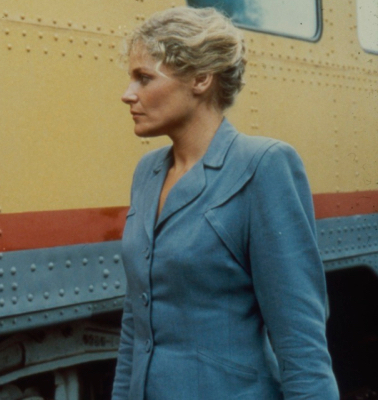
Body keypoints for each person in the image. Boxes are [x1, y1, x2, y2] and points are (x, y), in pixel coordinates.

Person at [112, 7, 338, 399]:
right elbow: (135, 323)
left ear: (201, 79)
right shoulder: (147, 173)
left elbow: (301, 343)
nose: (128, 93)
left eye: (144, 78)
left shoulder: (262, 166)